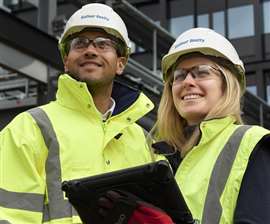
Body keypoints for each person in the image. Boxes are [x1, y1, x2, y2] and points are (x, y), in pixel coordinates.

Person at [0, 3, 159, 223]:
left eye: (103, 44)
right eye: (80, 43)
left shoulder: (144, 142)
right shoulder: (29, 129)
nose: (90, 50)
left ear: (120, 63)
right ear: (66, 61)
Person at [97, 27, 270, 224]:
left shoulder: (252, 144)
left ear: (227, 83)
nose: (187, 82)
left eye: (201, 73)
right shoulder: (154, 155)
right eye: (179, 76)